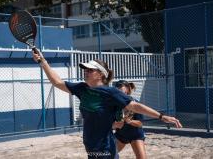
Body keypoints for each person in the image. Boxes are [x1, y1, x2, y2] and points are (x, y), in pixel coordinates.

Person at [32, 50, 182, 159]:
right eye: (85, 69)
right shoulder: (82, 89)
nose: (86, 71)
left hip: (105, 147)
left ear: (100, 74)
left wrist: (161, 116)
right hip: (90, 145)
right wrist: (43, 62)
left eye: (90, 70)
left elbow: (135, 106)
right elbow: (57, 82)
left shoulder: (111, 92)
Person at [112, 80, 146, 159]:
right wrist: (114, 125)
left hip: (135, 135)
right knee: (107, 154)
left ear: (127, 91)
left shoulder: (134, 103)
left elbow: (140, 123)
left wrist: (129, 121)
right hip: (121, 135)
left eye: (122, 92)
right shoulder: (114, 104)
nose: (120, 95)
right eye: (118, 93)